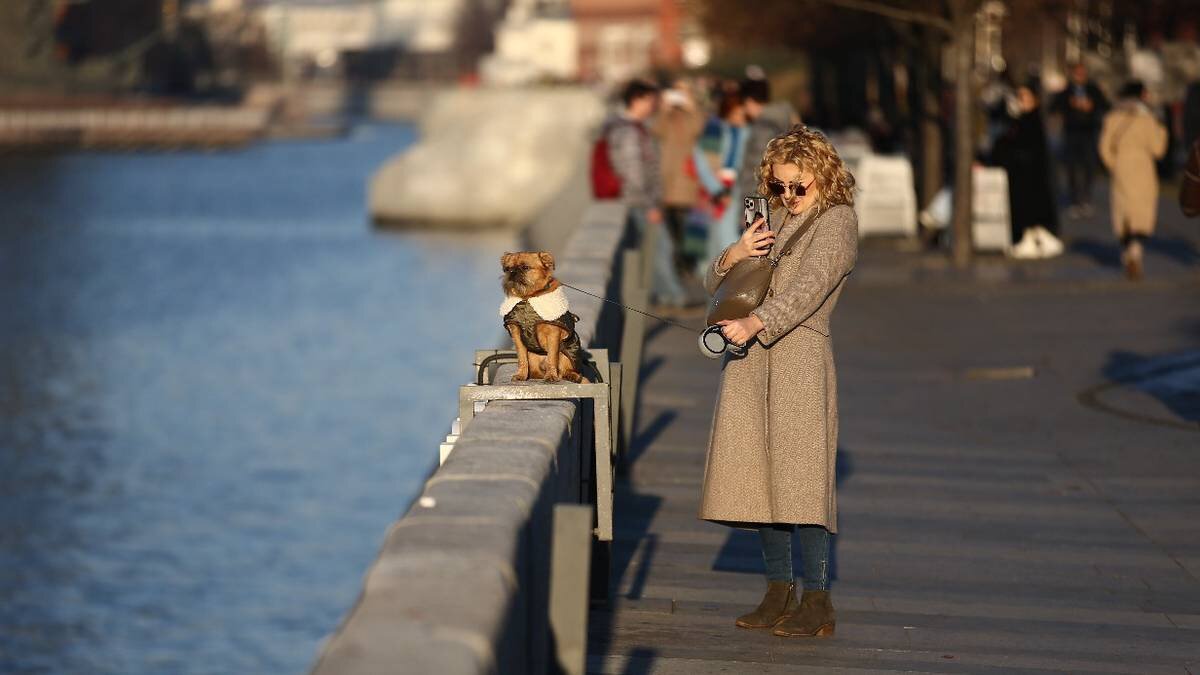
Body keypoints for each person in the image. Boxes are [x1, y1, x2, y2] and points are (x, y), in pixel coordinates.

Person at [699, 125, 858, 638]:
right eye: (778, 186)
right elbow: (711, 281)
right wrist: (738, 252)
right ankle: (775, 591)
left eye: (798, 186)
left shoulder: (837, 222)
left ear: (823, 177)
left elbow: (809, 290)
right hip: (750, 361)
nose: (787, 195)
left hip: (799, 357)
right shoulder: (776, 220)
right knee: (760, 477)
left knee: (803, 480)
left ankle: (817, 599)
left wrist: (755, 324)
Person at [606, 79, 689, 307]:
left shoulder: (634, 127)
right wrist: (650, 204)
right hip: (639, 202)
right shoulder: (628, 131)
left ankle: (663, 296)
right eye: (650, 101)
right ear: (637, 100)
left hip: (640, 201)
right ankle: (672, 298)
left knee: (653, 248)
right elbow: (633, 173)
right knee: (660, 248)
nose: (653, 105)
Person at [1099, 80, 1169, 280]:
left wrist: (1113, 164)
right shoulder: (1148, 119)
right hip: (1143, 168)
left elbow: (1104, 147)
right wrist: (1163, 130)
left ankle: (1127, 247)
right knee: (1142, 212)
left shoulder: (1112, 117)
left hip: (1121, 167)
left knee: (1123, 212)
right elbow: (1158, 149)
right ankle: (1136, 249)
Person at [991, 82, 1063, 259]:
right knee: (1027, 217)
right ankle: (1030, 242)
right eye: (1019, 97)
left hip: (1031, 178)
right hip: (1022, 176)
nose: (1021, 101)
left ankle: (1036, 242)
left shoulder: (1032, 121)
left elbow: (1028, 148)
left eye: (1024, 97)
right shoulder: (1018, 120)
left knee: (1032, 215)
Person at [691, 91, 749, 280]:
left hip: (739, 187)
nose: (741, 118)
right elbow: (701, 160)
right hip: (717, 188)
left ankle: (727, 277)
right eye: (738, 114)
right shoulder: (715, 129)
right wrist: (716, 188)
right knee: (718, 237)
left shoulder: (748, 131)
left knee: (730, 235)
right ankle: (721, 278)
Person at [654, 79, 706, 278]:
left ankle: (687, 263)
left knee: (688, 225)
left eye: (683, 93)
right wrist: (663, 109)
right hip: (667, 179)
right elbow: (656, 131)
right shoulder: (666, 117)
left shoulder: (693, 116)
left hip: (687, 178)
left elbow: (700, 129)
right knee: (671, 228)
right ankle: (678, 263)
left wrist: (691, 108)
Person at [1051, 62, 1108, 217]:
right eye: (1077, 73)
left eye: (1082, 73)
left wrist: (1092, 105)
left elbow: (1105, 106)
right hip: (1071, 132)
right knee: (1071, 167)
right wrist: (1069, 104)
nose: (1080, 77)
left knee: (1089, 165)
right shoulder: (1066, 91)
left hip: (1088, 132)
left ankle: (1086, 197)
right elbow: (1054, 107)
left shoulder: (1093, 90)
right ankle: (1074, 199)